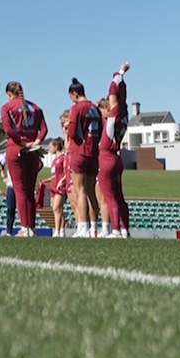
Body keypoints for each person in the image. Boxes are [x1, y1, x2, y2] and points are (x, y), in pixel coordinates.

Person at [0, 81, 47, 237]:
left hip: (16, 149)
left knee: (19, 189)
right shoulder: (36, 107)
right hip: (33, 150)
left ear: (8, 93)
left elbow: (8, 129)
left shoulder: (7, 107)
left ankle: (24, 228)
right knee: (29, 190)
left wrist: (22, 142)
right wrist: (37, 142)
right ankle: (31, 228)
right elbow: (44, 129)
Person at [66, 77, 103, 239]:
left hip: (79, 152)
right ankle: (94, 228)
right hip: (93, 153)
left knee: (80, 191)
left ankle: (83, 227)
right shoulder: (95, 108)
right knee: (91, 192)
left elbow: (73, 132)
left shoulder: (76, 109)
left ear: (74, 94)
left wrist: (68, 129)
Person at [98, 98, 130, 238]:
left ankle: (115, 230)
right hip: (117, 158)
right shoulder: (121, 122)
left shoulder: (110, 121)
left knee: (110, 198)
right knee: (119, 196)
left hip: (106, 159)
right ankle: (125, 230)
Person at [0, 150, 16, 234]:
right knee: (10, 209)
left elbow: (39, 164)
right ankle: (8, 231)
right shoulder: (7, 153)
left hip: (23, 186)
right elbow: (0, 165)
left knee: (24, 209)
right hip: (11, 186)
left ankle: (26, 229)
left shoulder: (25, 150)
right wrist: (3, 177)